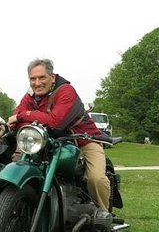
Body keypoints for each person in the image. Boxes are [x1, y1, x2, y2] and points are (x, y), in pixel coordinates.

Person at [7, 58, 111, 215]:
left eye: (42, 77)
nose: (37, 83)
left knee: (95, 178)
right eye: (33, 79)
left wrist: (25, 115)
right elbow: (14, 119)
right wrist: (21, 118)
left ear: (52, 77)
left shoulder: (65, 91)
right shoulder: (31, 94)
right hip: (52, 142)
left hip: (84, 140)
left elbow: (55, 122)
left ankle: (103, 216)